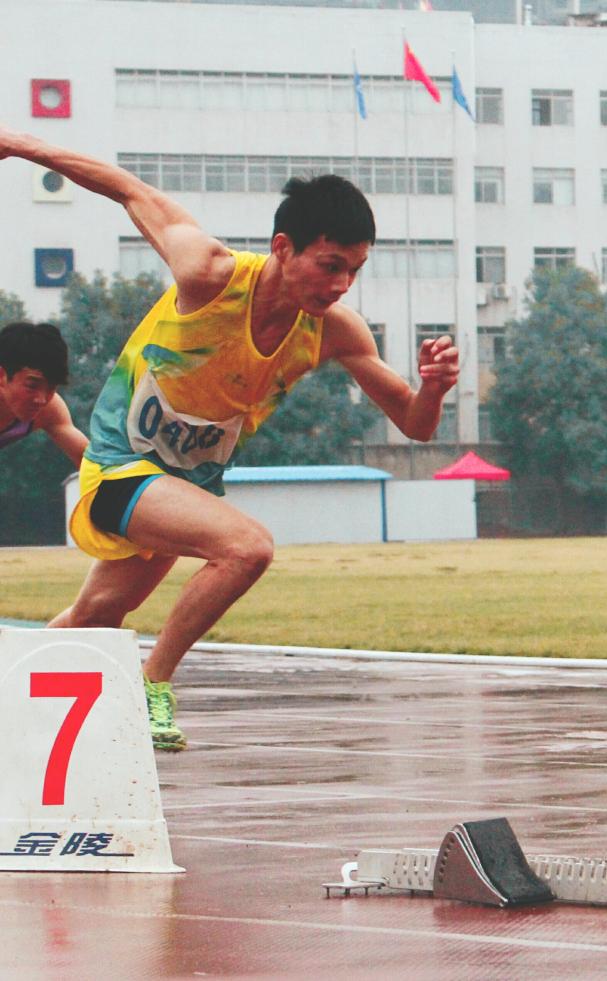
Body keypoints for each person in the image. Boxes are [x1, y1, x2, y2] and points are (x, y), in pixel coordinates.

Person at [0, 126, 459, 751]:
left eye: (354, 271)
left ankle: (7, 696)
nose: (340, 286)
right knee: (247, 548)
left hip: (179, 487)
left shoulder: (334, 331)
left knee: (94, 616)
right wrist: (19, 145)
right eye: (329, 266)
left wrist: (433, 387)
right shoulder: (208, 272)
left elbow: (415, 423)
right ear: (283, 248)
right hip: (119, 468)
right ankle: (153, 683)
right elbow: (127, 188)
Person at [0, 321, 87, 465]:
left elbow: (93, 463)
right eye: (32, 386)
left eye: (51, 388)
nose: (41, 399)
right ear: (2, 375)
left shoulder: (50, 410)